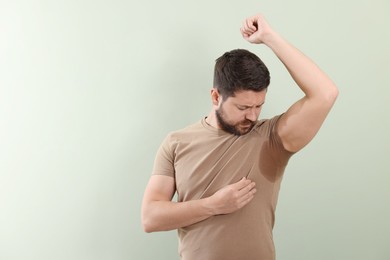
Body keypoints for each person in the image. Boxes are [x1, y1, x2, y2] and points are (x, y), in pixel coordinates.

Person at [141, 13, 338, 260]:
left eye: (259, 106)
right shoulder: (176, 142)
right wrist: (213, 205)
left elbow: (326, 93)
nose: (252, 116)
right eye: (243, 108)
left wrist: (269, 37)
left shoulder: (272, 138)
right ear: (215, 97)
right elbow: (150, 217)